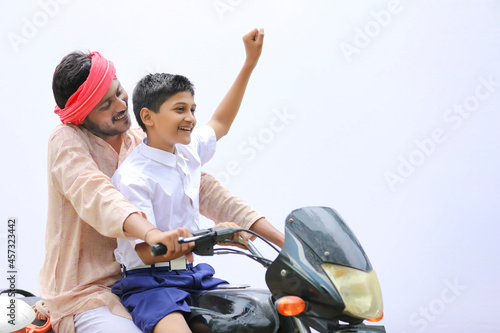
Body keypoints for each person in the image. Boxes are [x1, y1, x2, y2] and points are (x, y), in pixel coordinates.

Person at [39, 28, 284, 333]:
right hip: (90, 295)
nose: (119, 105)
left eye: (118, 92)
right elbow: (98, 195)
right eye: (105, 105)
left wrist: (286, 243)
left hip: (173, 278)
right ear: (81, 116)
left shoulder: (141, 141)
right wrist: (152, 234)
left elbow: (205, 189)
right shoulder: (67, 140)